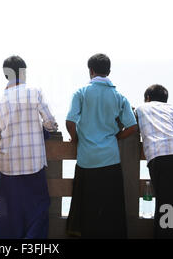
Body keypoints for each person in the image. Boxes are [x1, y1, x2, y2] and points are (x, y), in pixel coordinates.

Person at [65, 53, 138, 238]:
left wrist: (75, 139)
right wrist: (116, 137)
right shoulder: (118, 96)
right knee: (110, 208)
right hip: (110, 158)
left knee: (86, 206)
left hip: (86, 159)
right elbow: (132, 126)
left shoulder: (81, 93)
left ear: (90, 71)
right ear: (109, 71)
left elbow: (70, 121)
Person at [0, 55, 58, 239]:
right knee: (37, 210)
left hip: (8, 166)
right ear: (24, 73)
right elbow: (50, 122)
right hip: (33, 162)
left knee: (8, 214)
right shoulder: (35, 92)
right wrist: (46, 129)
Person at [135, 84, 173, 239]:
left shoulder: (140, 109)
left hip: (157, 156)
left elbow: (131, 127)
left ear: (147, 98)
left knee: (164, 201)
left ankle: (164, 235)